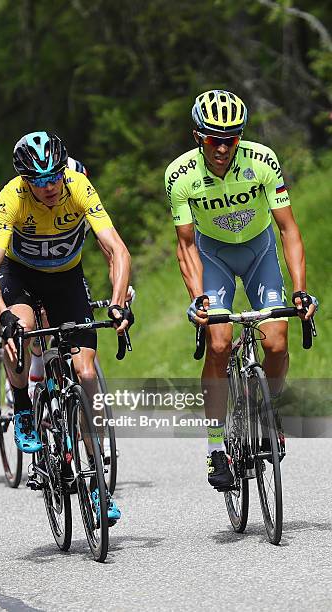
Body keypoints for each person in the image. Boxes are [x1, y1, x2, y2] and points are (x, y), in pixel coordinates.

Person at [165, 90, 317, 490]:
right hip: (212, 256)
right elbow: (184, 245)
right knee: (218, 345)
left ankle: (266, 411)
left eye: (230, 138)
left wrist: (300, 291)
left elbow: (288, 229)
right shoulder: (180, 175)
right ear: (198, 135)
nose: (221, 147)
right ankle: (217, 447)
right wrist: (197, 298)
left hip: (259, 251)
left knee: (277, 344)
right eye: (213, 137)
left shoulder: (262, 160)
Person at [0, 131, 132, 522]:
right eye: (39, 180)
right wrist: (4, 314)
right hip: (21, 276)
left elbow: (116, 249)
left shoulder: (78, 185)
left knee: (85, 373)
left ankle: (96, 486)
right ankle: (25, 407)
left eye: (54, 177)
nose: (48, 187)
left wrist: (116, 304)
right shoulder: (12, 196)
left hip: (66, 279)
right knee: (23, 329)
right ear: (26, 180)